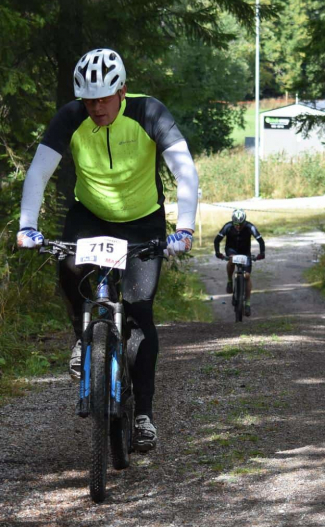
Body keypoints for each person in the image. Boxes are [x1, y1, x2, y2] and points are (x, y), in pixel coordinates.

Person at [16, 48, 199, 452]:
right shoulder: (70, 117)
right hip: (90, 216)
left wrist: (184, 228)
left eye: (103, 98)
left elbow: (184, 168)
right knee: (68, 266)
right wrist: (27, 224)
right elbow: (38, 172)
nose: (96, 107)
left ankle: (144, 415)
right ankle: (84, 339)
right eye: (89, 100)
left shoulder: (149, 112)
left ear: (122, 91)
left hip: (142, 220)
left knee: (140, 312)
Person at [214, 209, 265, 317]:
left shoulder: (250, 227)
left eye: (241, 224)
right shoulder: (228, 226)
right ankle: (229, 281)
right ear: (233, 222)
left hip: (245, 252)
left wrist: (262, 253)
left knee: (247, 276)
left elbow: (260, 240)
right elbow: (217, 240)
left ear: (244, 222)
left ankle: (247, 303)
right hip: (231, 250)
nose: (238, 227)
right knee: (232, 260)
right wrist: (218, 253)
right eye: (236, 224)